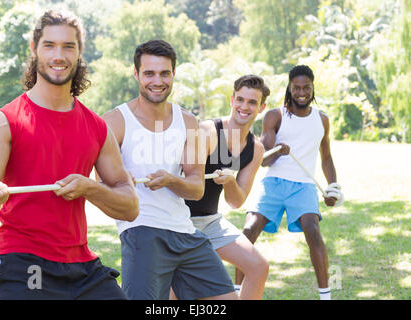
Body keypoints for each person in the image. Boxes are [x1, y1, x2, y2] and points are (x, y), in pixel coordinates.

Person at [0, 10, 138, 300]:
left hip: (83, 266)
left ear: (79, 52)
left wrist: (90, 188)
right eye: (49, 45)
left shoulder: (97, 127)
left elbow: (130, 206)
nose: (58, 55)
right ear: (34, 50)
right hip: (25, 261)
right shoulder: (3, 122)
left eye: (68, 46)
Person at [102, 39, 238, 300]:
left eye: (165, 73)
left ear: (174, 74)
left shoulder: (189, 121)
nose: (158, 80)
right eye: (149, 73)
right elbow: (106, 191)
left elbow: (197, 188)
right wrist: (121, 183)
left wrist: (170, 180)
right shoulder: (114, 122)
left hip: (185, 231)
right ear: (136, 74)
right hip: (142, 232)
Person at [236, 65, 343, 300]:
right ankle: (236, 293)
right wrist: (277, 151)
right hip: (273, 182)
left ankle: (326, 295)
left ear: (312, 88)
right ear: (290, 87)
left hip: (303, 185)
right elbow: (263, 160)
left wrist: (332, 187)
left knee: (312, 230)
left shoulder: (322, 120)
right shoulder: (275, 115)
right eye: (297, 87)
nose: (301, 92)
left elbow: (326, 157)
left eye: (306, 87)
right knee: (248, 229)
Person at [179, 75, 270, 300]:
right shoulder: (208, 131)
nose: (244, 107)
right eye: (240, 99)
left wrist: (230, 182)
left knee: (259, 267)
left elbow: (236, 201)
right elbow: (184, 180)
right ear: (232, 100)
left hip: (210, 221)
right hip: (178, 220)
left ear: (262, 107)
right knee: (174, 295)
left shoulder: (255, 148)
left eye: (252, 102)